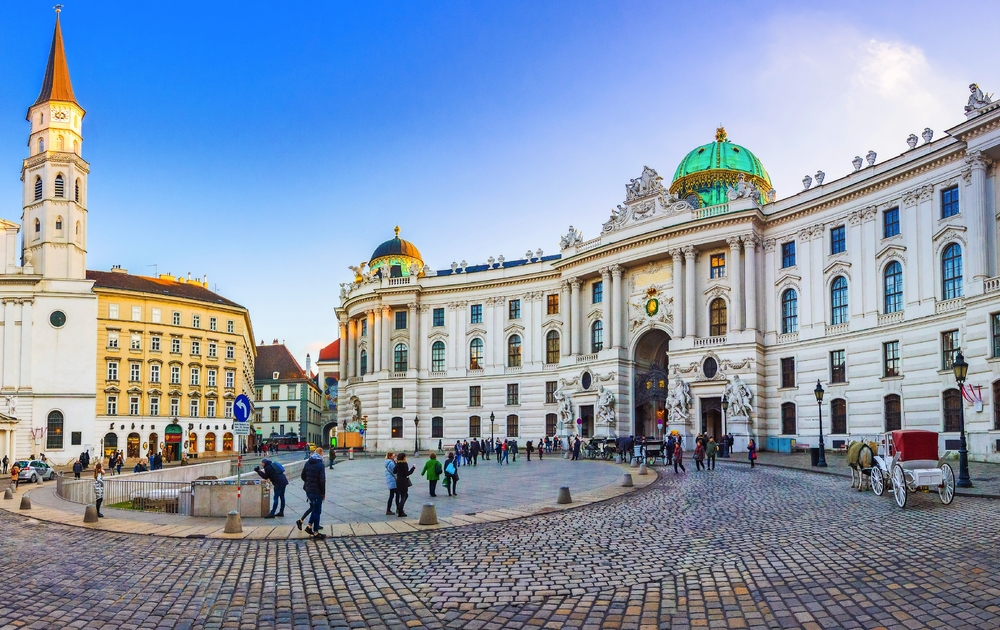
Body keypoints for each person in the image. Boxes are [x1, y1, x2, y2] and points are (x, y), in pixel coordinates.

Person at [300, 447, 326, 538]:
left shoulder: (308, 462)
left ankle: (309, 526)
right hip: (317, 491)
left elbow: (302, 476)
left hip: (308, 490)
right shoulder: (320, 464)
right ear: (321, 454)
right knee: (317, 511)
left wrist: (308, 482)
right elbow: (322, 480)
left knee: (314, 508)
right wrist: (323, 493)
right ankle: (316, 532)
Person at [394, 453, 415, 517]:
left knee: (404, 495)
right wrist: (413, 468)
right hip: (403, 481)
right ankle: (400, 511)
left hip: (398, 481)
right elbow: (406, 473)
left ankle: (400, 508)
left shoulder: (397, 464)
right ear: (403, 457)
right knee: (403, 496)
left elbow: (394, 471)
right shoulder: (405, 464)